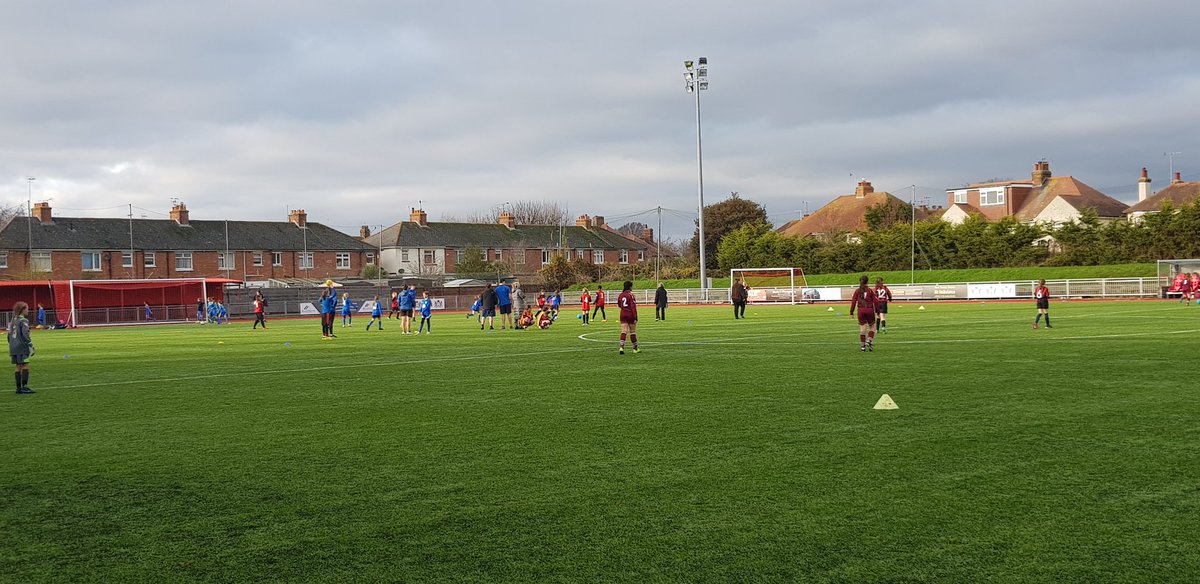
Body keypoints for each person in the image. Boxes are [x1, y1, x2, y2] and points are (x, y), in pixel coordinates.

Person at [9, 301, 35, 394]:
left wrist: (12, 344)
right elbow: (25, 334)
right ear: (22, 310)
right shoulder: (24, 320)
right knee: (25, 365)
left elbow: (9, 336)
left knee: (17, 366)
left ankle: (18, 388)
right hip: (22, 347)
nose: (28, 311)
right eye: (27, 309)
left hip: (13, 347)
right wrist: (30, 345)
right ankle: (24, 386)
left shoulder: (12, 321)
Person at [849, 275, 878, 352]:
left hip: (860, 311)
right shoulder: (870, 290)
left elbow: (853, 302)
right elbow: (875, 301)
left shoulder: (857, 291)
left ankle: (863, 347)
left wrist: (851, 312)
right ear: (867, 282)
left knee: (862, 328)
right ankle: (869, 341)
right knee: (872, 326)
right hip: (869, 310)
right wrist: (878, 311)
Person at [617, 280, 639, 355]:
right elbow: (633, 307)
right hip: (630, 314)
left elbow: (619, 305)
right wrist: (635, 317)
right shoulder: (631, 295)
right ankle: (635, 348)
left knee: (624, 331)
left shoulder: (621, 295)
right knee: (632, 331)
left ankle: (621, 347)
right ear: (630, 287)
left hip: (623, 314)